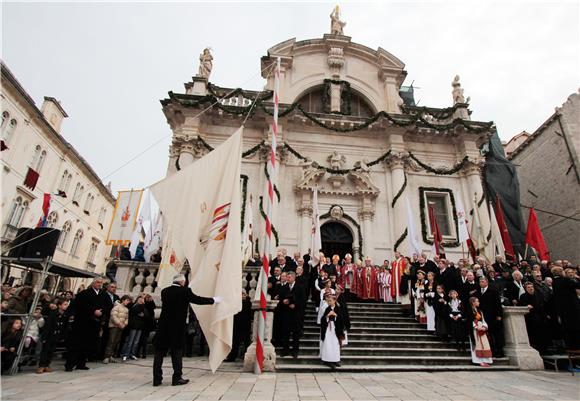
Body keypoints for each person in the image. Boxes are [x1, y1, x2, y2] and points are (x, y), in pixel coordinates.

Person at [153, 274, 220, 387]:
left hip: (163, 327)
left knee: (159, 354)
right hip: (177, 327)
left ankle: (157, 379)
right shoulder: (185, 291)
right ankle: (177, 377)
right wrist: (213, 300)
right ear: (182, 282)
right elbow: (198, 300)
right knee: (177, 353)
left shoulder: (165, 291)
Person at [65, 278, 105, 371]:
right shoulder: (85, 293)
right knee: (76, 344)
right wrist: (93, 311)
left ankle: (81, 363)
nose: (100, 284)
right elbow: (80, 305)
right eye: (98, 282)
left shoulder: (102, 294)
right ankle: (70, 364)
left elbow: (105, 306)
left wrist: (101, 312)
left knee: (87, 344)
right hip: (82, 322)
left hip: (93, 323)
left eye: (101, 283)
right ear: (93, 283)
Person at [37, 298, 70, 373]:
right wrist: (44, 337)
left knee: (51, 351)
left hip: (57, 335)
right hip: (50, 335)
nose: (66, 306)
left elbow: (65, 326)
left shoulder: (65, 315)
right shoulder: (53, 313)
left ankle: (47, 365)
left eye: (67, 305)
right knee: (45, 350)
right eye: (65, 304)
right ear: (59, 305)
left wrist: (63, 336)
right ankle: (42, 365)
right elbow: (48, 326)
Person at [551, 266, 580, 349]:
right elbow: (578, 285)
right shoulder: (565, 280)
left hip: (563, 311)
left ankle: (571, 349)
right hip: (572, 309)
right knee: (576, 330)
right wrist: (576, 277)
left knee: (568, 331)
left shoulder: (554, 282)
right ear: (560, 272)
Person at [278, 272, 305, 358]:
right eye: (287, 277)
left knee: (295, 333)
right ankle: (285, 350)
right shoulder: (283, 287)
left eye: (289, 277)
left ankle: (295, 350)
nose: (287, 278)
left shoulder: (300, 287)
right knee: (285, 333)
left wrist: (295, 305)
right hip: (286, 313)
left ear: (294, 278)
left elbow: (303, 300)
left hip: (296, 314)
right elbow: (280, 298)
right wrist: (283, 301)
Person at [476, 277, 504, 358]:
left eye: (483, 281)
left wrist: (499, 315)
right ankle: (492, 351)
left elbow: (498, 304)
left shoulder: (493, 291)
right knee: (489, 335)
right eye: (480, 281)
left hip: (493, 316)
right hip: (484, 317)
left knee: (496, 335)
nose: (481, 283)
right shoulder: (478, 293)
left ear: (487, 282)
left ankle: (499, 351)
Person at [518, 282, 548, 354]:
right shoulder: (523, 296)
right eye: (528, 287)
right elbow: (521, 305)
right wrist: (526, 306)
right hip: (530, 319)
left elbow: (543, 305)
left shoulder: (539, 295)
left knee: (543, 334)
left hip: (540, 317)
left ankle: (544, 349)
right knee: (534, 335)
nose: (531, 288)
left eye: (532, 287)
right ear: (525, 289)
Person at [103, 295, 131, 364]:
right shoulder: (116, 307)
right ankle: (106, 356)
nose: (128, 302)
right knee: (111, 341)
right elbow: (113, 316)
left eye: (129, 301)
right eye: (127, 300)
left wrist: (124, 324)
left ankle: (111, 356)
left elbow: (127, 318)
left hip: (121, 327)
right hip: (114, 326)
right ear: (123, 300)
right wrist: (119, 323)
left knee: (116, 341)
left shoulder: (126, 309)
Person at [320, 295, 345, 369]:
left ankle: (335, 360)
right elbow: (322, 319)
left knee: (335, 344)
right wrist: (327, 316)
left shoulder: (338, 309)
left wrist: (335, 315)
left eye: (330, 301)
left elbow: (342, 319)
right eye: (328, 301)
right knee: (328, 344)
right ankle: (328, 360)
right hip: (328, 329)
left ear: (334, 301)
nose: (329, 302)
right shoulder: (327, 309)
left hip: (335, 330)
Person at [226, 291, 252, 362]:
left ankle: (247, 356)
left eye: (244, 294)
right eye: (241, 294)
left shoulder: (248, 303)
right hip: (237, 325)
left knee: (246, 342)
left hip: (246, 325)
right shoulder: (237, 303)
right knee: (235, 342)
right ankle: (232, 357)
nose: (243, 296)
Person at [467, 297, 493, 367]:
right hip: (475, 330)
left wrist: (484, 327)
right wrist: (476, 327)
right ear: (473, 302)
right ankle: (478, 361)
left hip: (482, 329)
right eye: (477, 301)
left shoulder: (480, 311)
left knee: (484, 345)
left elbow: (483, 320)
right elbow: (470, 320)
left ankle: (486, 360)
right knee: (477, 345)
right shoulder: (469, 311)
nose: (479, 303)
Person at [121, 295, 148, 361]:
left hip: (140, 326)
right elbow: (136, 311)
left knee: (136, 341)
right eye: (140, 298)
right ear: (137, 299)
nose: (141, 300)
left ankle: (132, 354)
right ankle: (125, 354)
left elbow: (146, 315)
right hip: (133, 325)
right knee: (130, 341)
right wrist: (141, 308)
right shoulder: (134, 305)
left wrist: (143, 311)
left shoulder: (143, 306)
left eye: (143, 299)